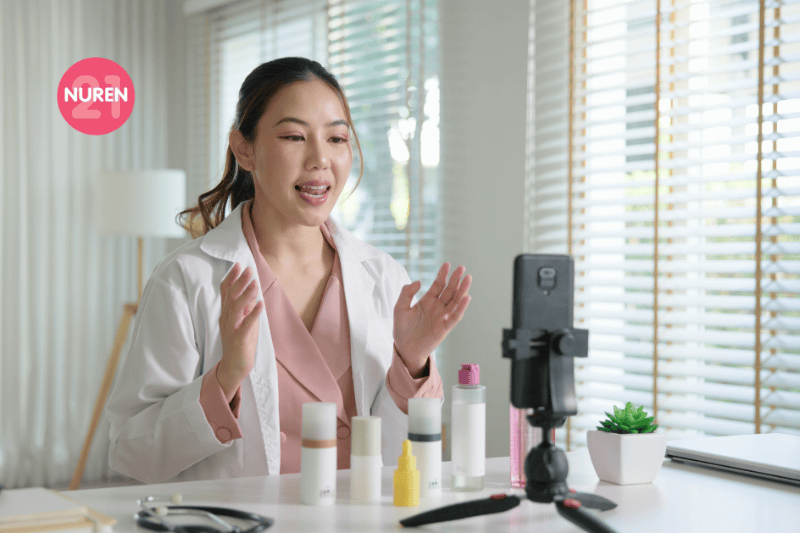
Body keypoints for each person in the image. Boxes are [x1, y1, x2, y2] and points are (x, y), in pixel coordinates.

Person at [105, 57, 471, 484]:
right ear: (245, 149)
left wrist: (411, 364)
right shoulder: (187, 279)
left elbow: (401, 460)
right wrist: (225, 379)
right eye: (295, 136)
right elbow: (132, 453)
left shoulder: (384, 277)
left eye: (337, 138)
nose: (320, 159)